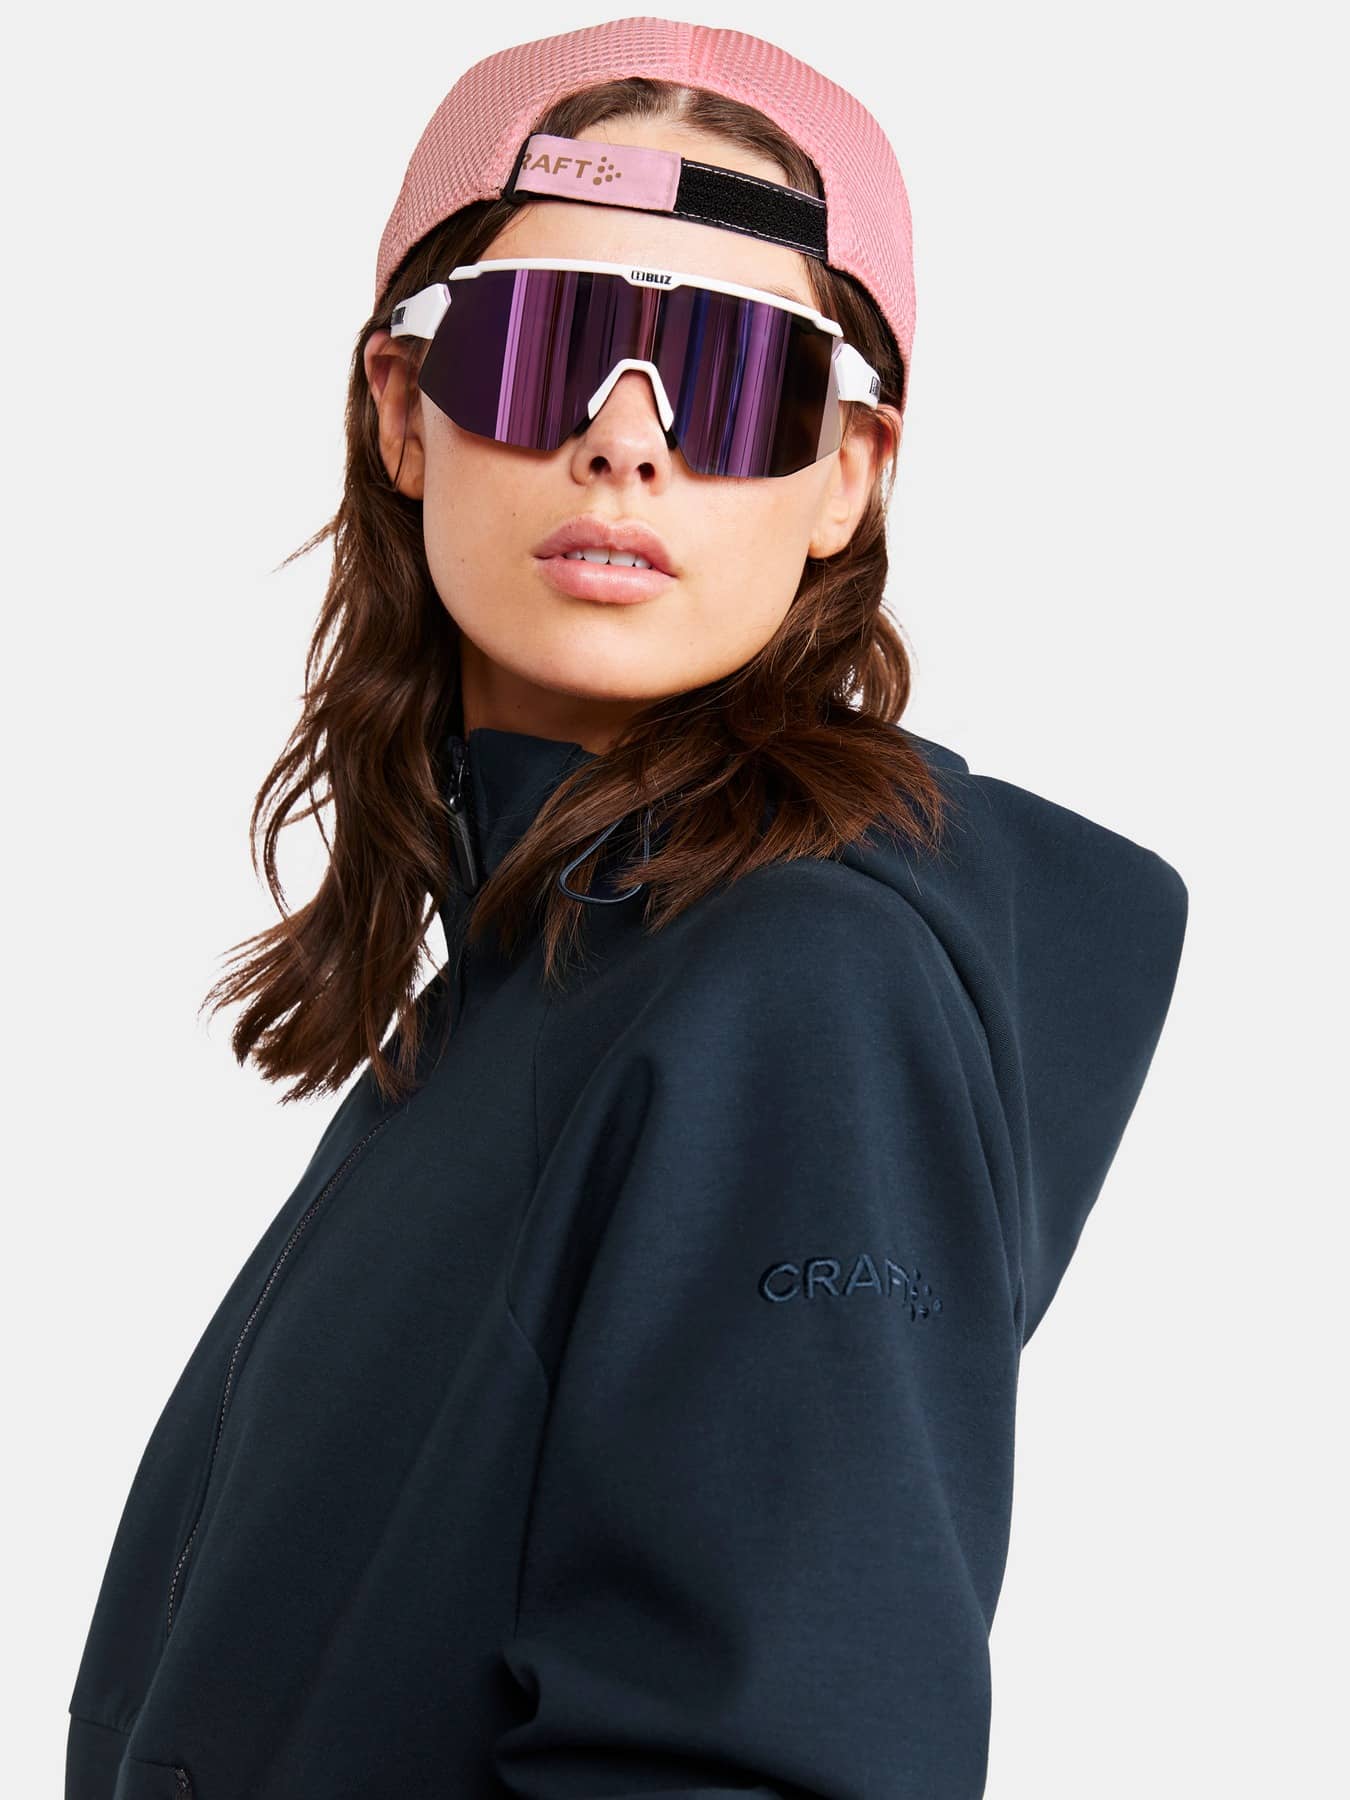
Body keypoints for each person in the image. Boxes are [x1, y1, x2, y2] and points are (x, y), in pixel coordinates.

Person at [63, 19, 1189, 1800]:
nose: (624, 443)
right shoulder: (527, 989)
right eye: (544, 348)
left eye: (733, 377)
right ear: (403, 412)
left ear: (845, 475)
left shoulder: (799, 989)